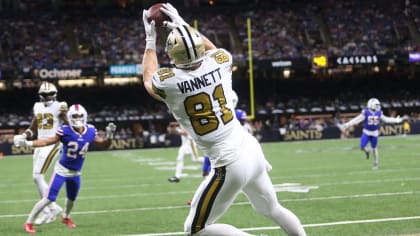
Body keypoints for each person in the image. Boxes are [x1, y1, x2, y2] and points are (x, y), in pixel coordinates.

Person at [141, 3, 306, 235]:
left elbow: (148, 77)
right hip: (250, 148)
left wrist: (150, 40)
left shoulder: (171, 82)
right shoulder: (220, 61)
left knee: (195, 229)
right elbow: (212, 49)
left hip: (229, 162)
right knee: (272, 208)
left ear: (172, 54)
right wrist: (183, 24)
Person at [14, 104, 116, 233]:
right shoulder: (65, 130)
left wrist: (110, 135)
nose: (78, 118)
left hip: (76, 172)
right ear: (69, 117)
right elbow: (47, 141)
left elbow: (104, 144)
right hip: (61, 170)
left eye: (80, 116)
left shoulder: (91, 130)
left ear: (85, 117)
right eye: (74, 116)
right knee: (49, 198)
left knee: (72, 198)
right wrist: (28, 143)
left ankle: (66, 217)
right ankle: (28, 222)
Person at [13, 81, 67, 225]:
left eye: (50, 94)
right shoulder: (37, 106)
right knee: (36, 177)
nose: (48, 97)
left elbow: (67, 125)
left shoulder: (60, 106)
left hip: (53, 143)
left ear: (55, 94)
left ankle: (50, 208)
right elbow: (35, 125)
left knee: (38, 176)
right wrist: (25, 135)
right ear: (40, 95)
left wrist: (65, 115)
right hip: (39, 143)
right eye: (45, 94)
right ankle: (49, 208)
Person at [338, 98, 405, 170]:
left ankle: (376, 163)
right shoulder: (366, 112)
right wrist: (347, 125)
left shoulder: (379, 112)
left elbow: (386, 119)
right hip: (366, 132)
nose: (378, 106)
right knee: (362, 146)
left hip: (375, 133)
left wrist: (395, 120)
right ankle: (367, 151)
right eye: (376, 105)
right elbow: (356, 120)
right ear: (371, 105)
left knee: (374, 148)